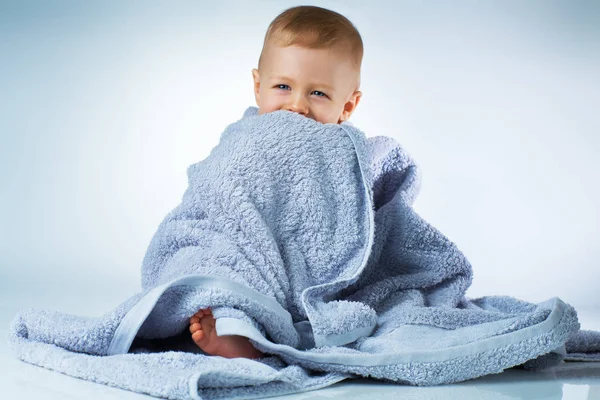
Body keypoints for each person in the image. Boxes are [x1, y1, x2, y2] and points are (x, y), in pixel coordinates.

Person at [188, 4, 364, 359]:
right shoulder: (246, 137)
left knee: (375, 298)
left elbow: (365, 214)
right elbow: (218, 186)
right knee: (212, 263)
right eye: (283, 86)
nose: (296, 105)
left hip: (309, 273)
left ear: (347, 106)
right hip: (247, 247)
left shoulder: (345, 152)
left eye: (318, 94)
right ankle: (237, 325)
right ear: (258, 86)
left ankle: (253, 333)